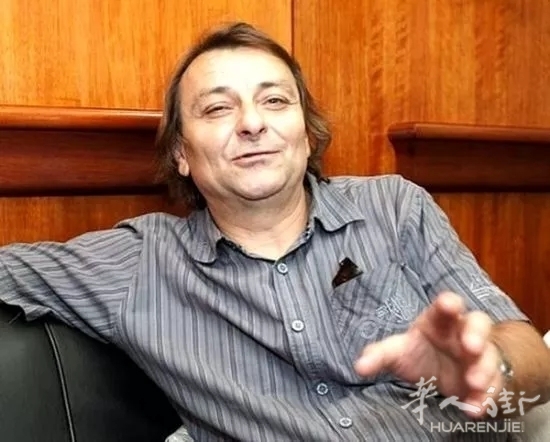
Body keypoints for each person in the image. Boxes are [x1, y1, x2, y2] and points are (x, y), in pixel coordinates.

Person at [1, 21, 549, 442]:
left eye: (275, 100)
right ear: (181, 153)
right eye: (218, 108)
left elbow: (533, 358)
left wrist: (490, 370)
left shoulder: (395, 207)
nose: (252, 122)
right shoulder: (139, 262)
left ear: (306, 134)